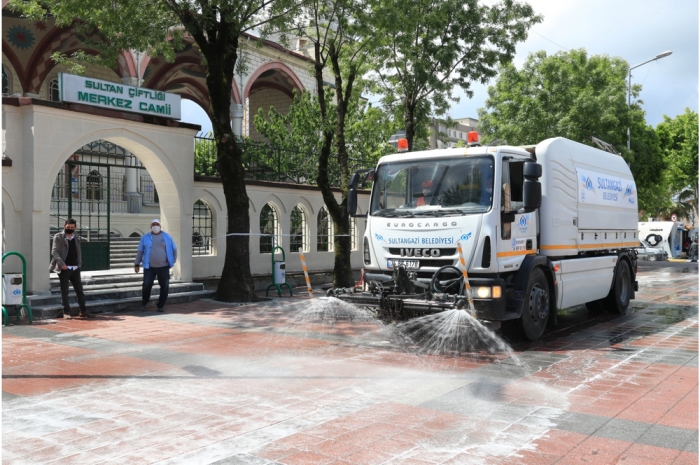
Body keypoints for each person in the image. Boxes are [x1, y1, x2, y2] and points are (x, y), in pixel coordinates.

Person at [50, 219, 93, 318]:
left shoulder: (76, 237)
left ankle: (83, 311)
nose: (70, 229)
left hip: (75, 268)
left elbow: (79, 251)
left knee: (79, 290)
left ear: (75, 227)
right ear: (64, 226)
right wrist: (62, 264)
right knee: (64, 291)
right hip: (64, 268)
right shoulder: (59, 237)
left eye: (72, 228)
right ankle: (66, 312)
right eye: (68, 227)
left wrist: (79, 264)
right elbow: (54, 252)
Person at [134, 219, 178, 312]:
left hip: (164, 266)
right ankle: (144, 302)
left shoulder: (167, 237)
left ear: (160, 226)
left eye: (157, 224)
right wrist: (136, 264)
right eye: (153, 224)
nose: (155, 226)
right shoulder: (145, 237)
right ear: (150, 226)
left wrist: (172, 260)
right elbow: (140, 251)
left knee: (164, 286)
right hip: (149, 267)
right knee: (147, 284)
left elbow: (174, 249)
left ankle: (161, 305)